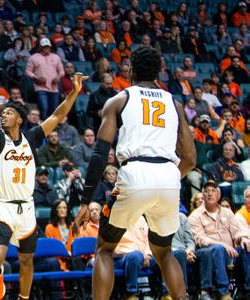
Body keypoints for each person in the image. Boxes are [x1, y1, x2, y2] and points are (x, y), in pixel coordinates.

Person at [0, 60, 86, 299]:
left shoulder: (32, 137)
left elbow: (57, 115)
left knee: (27, 261)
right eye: (2, 114)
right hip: (2, 206)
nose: (3, 116)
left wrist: (74, 91)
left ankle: (24, 298)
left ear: (19, 120)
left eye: (8, 113)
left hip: (26, 207)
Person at [76, 46, 196, 300]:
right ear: (159, 72)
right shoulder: (174, 103)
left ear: (130, 70)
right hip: (168, 175)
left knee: (105, 250)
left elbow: (99, 154)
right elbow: (190, 158)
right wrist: (168, 179)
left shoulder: (119, 99)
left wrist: (86, 200)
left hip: (134, 172)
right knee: (164, 252)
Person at [189, 180, 250, 300]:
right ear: (203, 195)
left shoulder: (227, 212)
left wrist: (243, 238)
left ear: (219, 195)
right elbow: (199, 239)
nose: (210, 194)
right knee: (218, 248)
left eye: (213, 191)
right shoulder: (195, 216)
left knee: (246, 246)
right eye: (206, 191)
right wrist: (221, 244)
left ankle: (247, 290)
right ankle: (224, 292)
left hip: (229, 252)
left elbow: (236, 231)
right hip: (206, 253)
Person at [25, 38, 64, 119]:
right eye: (45, 47)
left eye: (48, 47)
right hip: (40, 87)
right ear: (40, 47)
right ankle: (43, 126)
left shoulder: (56, 57)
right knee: (44, 108)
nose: (47, 48)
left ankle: (53, 128)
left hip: (54, 88)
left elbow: (61, 72)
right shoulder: (33, 57)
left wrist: (57, 78)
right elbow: (28, 71)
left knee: (54, 110)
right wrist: (36, 78)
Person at [45, 199, 79, 271]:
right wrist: (65, 254)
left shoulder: (73, 226)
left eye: (64, 207)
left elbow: (77, 245)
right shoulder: (49, 228)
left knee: (78, 260)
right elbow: (51, 249)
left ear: (67, 210)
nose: (62, 210)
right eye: (59, 208)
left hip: (72, 259)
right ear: (55, 210)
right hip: (58, 260)